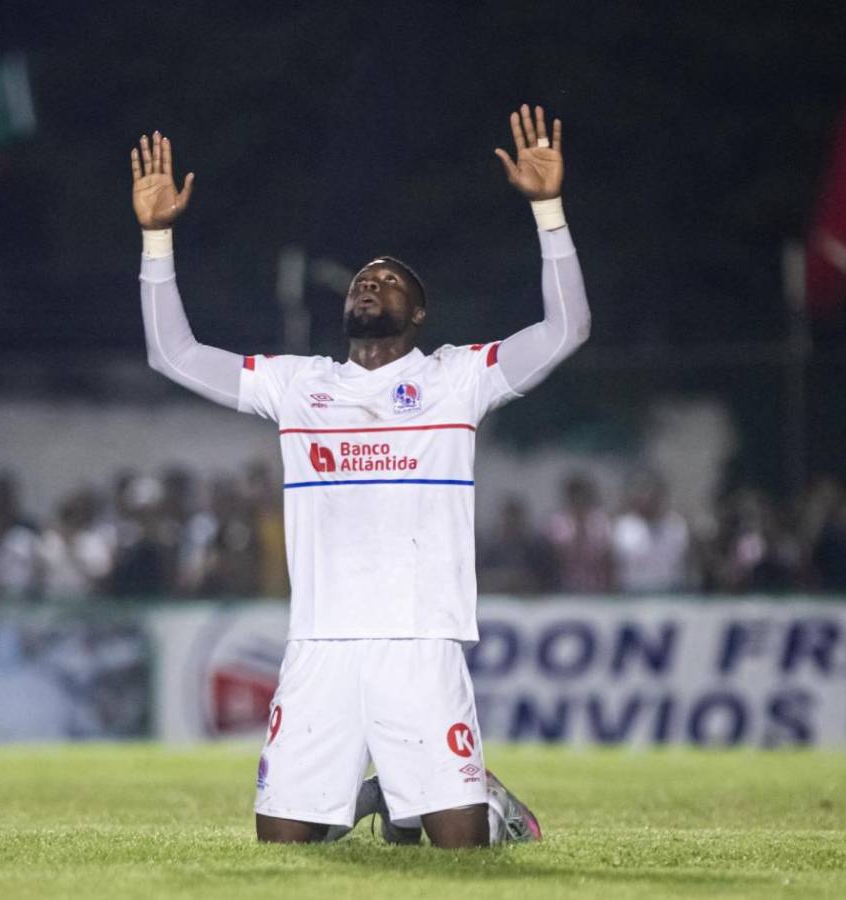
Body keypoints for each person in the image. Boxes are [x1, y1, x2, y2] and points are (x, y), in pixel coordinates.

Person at [130, 105, 589, 848]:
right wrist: (157, 236)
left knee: (462, 852)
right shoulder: (298, 385)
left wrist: (549, 211)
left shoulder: (457, 377)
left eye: (388, 281)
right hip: (320, 644)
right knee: (281, 849)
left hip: (420, 640)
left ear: (419, 312)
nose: (369, 286)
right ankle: (381, 796)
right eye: (361, 281)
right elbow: (172, 355)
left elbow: (567, 330)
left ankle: (472, 804)